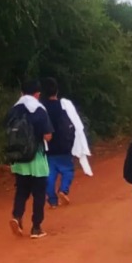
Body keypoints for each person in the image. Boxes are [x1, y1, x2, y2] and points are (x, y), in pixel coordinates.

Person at [7, 79, 53, 239]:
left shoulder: (14, 109)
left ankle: (17, 216)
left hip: (18, 158)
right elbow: (47, 135)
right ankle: (36, 228)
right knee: (39, 193)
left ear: (21, 92)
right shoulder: (39, 109)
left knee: (21, 190)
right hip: (36, 157)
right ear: (37, 94)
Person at [41, 77, 77, 208]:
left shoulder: (41, 108)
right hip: (64, 145)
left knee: (50, 174)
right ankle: (63, 190)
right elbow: (73, 124)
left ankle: (52, 201)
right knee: (68, 170)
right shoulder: (63, 106)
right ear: (57, 90)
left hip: (48, 146)